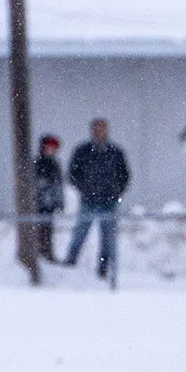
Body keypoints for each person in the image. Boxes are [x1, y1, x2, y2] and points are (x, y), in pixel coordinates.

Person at [62, 118, 129, 279]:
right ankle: (70, 263)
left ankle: (103, 268)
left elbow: (124, 175)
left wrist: (116, 192)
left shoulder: (115, 152)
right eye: (96, 129)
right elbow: (73, 173)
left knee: (107, 238)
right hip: (88, 201)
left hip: (109, 202)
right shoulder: (83, 151)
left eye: (102, 129)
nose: (99, 132)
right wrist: (85, 189)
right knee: (80, 233)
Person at [28, 134, 64, 265]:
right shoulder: (38, 164)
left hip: (49, 204)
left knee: (48, 229)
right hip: (40, 204)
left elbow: (58, 184)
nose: (52, 151)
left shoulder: (55, 164)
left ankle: (47, 253)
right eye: (50, 147)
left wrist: (58, 202)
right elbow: (35, 184)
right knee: (39, 229)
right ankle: (40, 254)